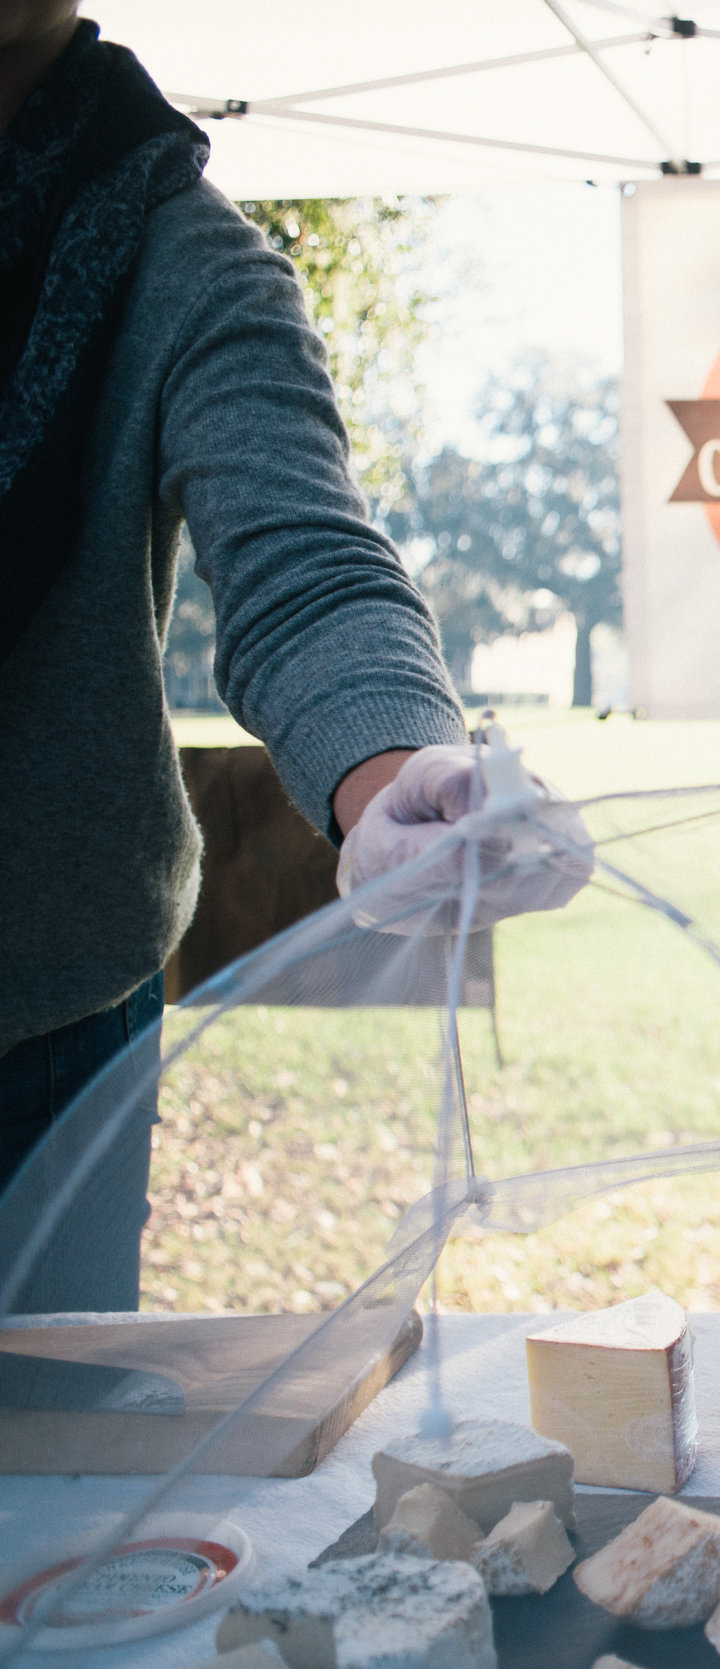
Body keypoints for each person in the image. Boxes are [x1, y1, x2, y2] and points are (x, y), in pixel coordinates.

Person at [0, 4, 560, 1312]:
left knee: (41, 1495)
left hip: (44, 1033)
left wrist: (396, 778)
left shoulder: (180, 253)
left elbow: (307, 567)